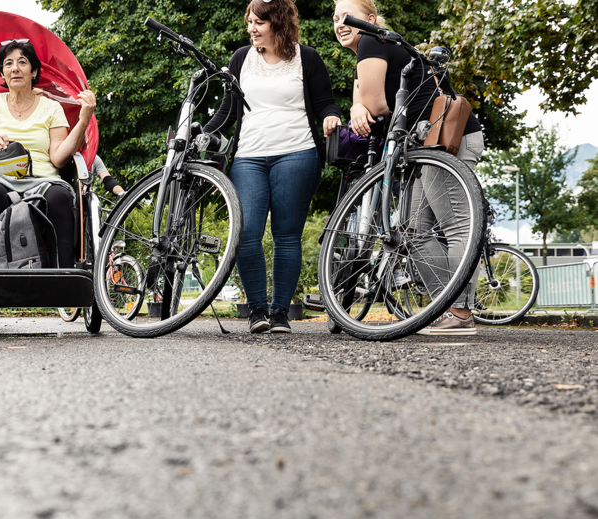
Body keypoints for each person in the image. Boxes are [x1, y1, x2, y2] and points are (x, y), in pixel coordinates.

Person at [333, 0, 486, 335]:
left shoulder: (373, 41)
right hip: (423, 146)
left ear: (370, 20)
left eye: (347, 16)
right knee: (410, 229)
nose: (339, 23)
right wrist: (358, 105)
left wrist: (360, 106)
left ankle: (459, 313)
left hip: (449, 141)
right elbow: (368, 101)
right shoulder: (376, 47)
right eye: (335, 18)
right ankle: (443, 307)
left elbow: (374, 106)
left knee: (457, 224)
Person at [205, 0, 341, 334]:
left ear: (277, 23)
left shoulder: (306, 58)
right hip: (249, 157)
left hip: (297, 153)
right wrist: (201, 132)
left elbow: (325, 102)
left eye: (259, 23)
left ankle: (280, 312)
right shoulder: (241, 58)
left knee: (286, 235)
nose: (251, 28)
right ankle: (257, 311)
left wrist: (331, 116)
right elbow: (227, 110)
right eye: (250, 22)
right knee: (246, 232)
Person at [0, 38, 96, 268]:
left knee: (60, 197)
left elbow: (58, 158)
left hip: (43, 181)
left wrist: (84, 119)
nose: (15, 68)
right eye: (8, 63)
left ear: (34, 70)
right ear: (2, 72)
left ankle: (63, 280)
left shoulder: (51, 107)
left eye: (22, 62)